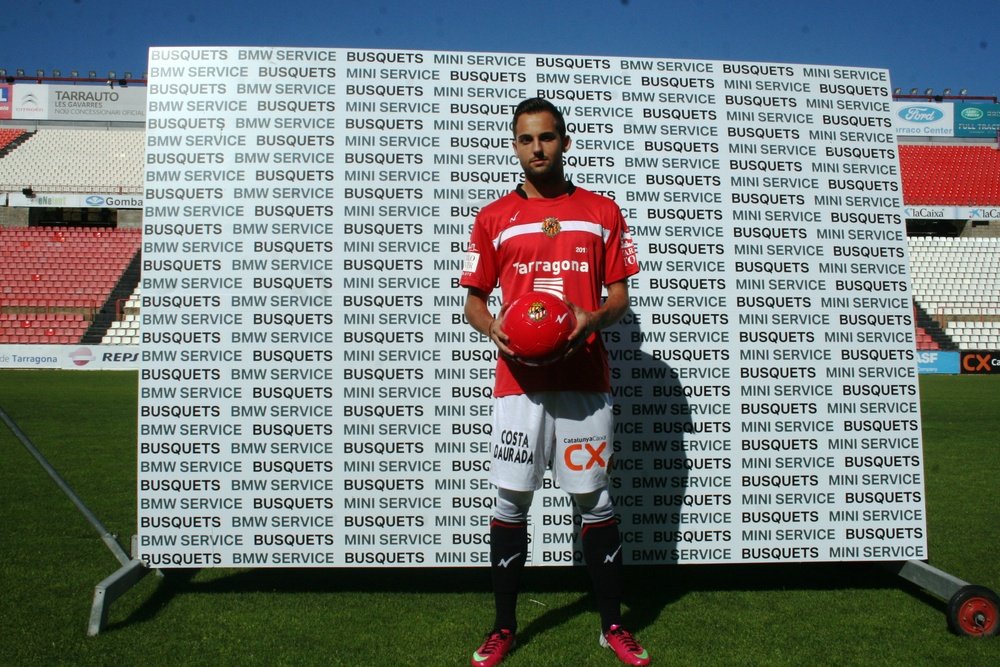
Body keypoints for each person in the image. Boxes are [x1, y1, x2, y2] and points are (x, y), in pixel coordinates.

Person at [460, 97, 649, 667]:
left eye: (546, 137)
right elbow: (474, 302)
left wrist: (594, 319)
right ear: (515, 145)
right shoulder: (493, 217)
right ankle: (503, 627)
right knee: (511, 498)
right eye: (526, 139)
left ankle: (612, 625)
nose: (536, 148)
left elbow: (619, 297)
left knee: (594, 498)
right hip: (519, 383)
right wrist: (493, 327)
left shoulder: (601, 211)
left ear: (565, 142)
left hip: (584, 379)